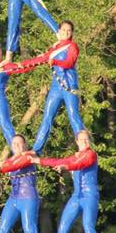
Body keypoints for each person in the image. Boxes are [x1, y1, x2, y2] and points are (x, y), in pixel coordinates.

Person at [32, 130, 99, 233]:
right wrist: (38, 160)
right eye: (82, 140)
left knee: (88, 225)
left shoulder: (91, 154)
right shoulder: (74, 157)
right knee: (63, 226)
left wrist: (66, 166)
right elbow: (57, 161)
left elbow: (80, 164)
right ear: (77, 142)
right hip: (76, 196)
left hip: (90, 195)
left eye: (87, 139)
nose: (85, 142)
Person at [30, 21, 84, 155]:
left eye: (69, 30)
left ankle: (83, 147)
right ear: (59, 31)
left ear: (71, 33)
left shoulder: (72, 46)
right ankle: (36, 150)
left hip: (69, 86)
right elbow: (42, 59)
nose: (66, 32)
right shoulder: (54, 49)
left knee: (73, 116)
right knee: (47, 117)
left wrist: (55, 61)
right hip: (55, 88)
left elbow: (69, 62)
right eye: (64, 30)